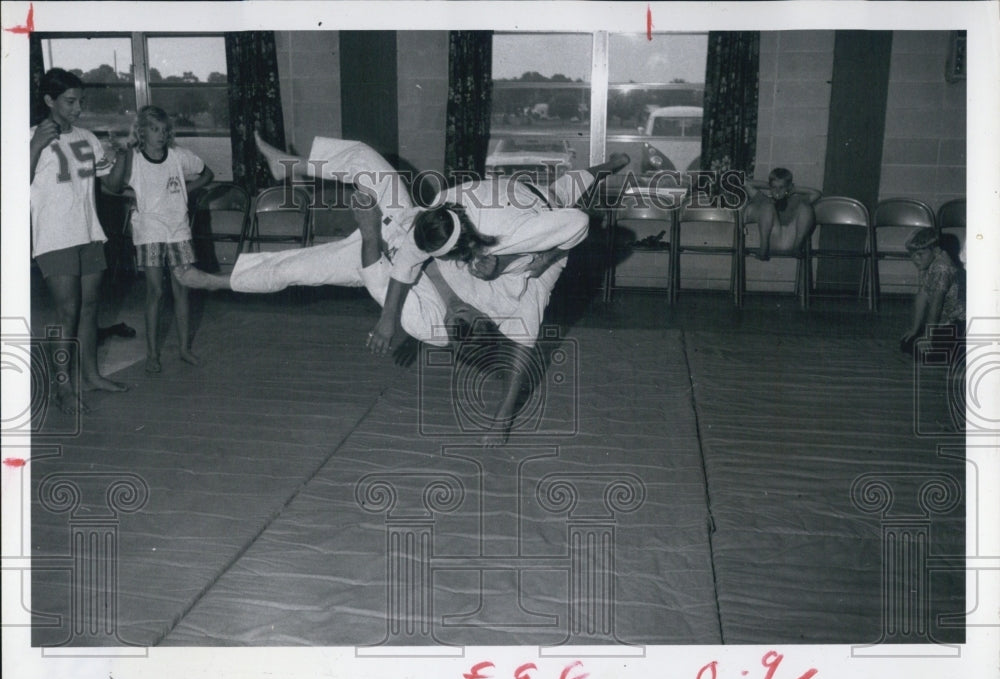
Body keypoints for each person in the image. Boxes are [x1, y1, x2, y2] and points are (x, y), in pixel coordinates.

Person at [178, 134, 629, 443]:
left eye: (456, 324)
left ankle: (219, 280)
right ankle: (288, 166)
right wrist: (603, 169)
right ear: (481, 318)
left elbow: (396, 270)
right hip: (448, 220)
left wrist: (499, 423)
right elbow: (574, 204)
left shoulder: (447, 319)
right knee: (364, 158)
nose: (458, 315)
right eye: (466, 317)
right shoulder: (507, 256)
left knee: (302, 266)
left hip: (388, 250)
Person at [29, 68, 128, 414]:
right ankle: (62, 388)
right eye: (70, 101)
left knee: (89, 309)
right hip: (54, 237)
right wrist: (36, 145)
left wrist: (123, 154)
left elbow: (112, 186)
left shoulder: (87, 137)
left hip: (89, 232)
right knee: (66, 311)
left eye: (80, 102)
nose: (77, 108)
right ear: (49, 101)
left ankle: (91, 376)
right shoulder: (31, 136)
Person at [105, 106, 214, 373]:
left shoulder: (179, 157)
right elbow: (113, 187)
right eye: (154, 129)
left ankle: (185, 349)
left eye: (164, 130)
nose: (160, 135)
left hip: (178, 231)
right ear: (141, 132)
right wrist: (133, 192)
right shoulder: (134, 159)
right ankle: (152, 354)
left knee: (182, 289)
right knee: (155, 291)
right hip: (150, 232)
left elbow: (207, 174)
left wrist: (186, 191)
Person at [900, 228, 966, 354]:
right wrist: (915, 328)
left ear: (935, 251)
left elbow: (937, 303)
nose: (915, 259)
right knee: (908, 342)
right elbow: (922, 295)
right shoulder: (930, 262)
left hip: (959, 324)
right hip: (946, 323)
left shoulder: (942, 268)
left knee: (917, 349)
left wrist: (928, 337)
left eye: (920, 254)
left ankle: (960, 352)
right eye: (912, 254)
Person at [748, 167, 820, 261]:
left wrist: (793, 189)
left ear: (788, 188)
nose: (777, 191)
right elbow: (747, 184)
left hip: (792, 240)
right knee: (767, 206)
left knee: (805, 207)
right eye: (774, 187)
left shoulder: (795, 200)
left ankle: (797, 248)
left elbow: (817, 194)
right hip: (771, 240)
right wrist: (769, 185)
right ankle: (763, 248)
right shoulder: (764, 199)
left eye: (781, 187)